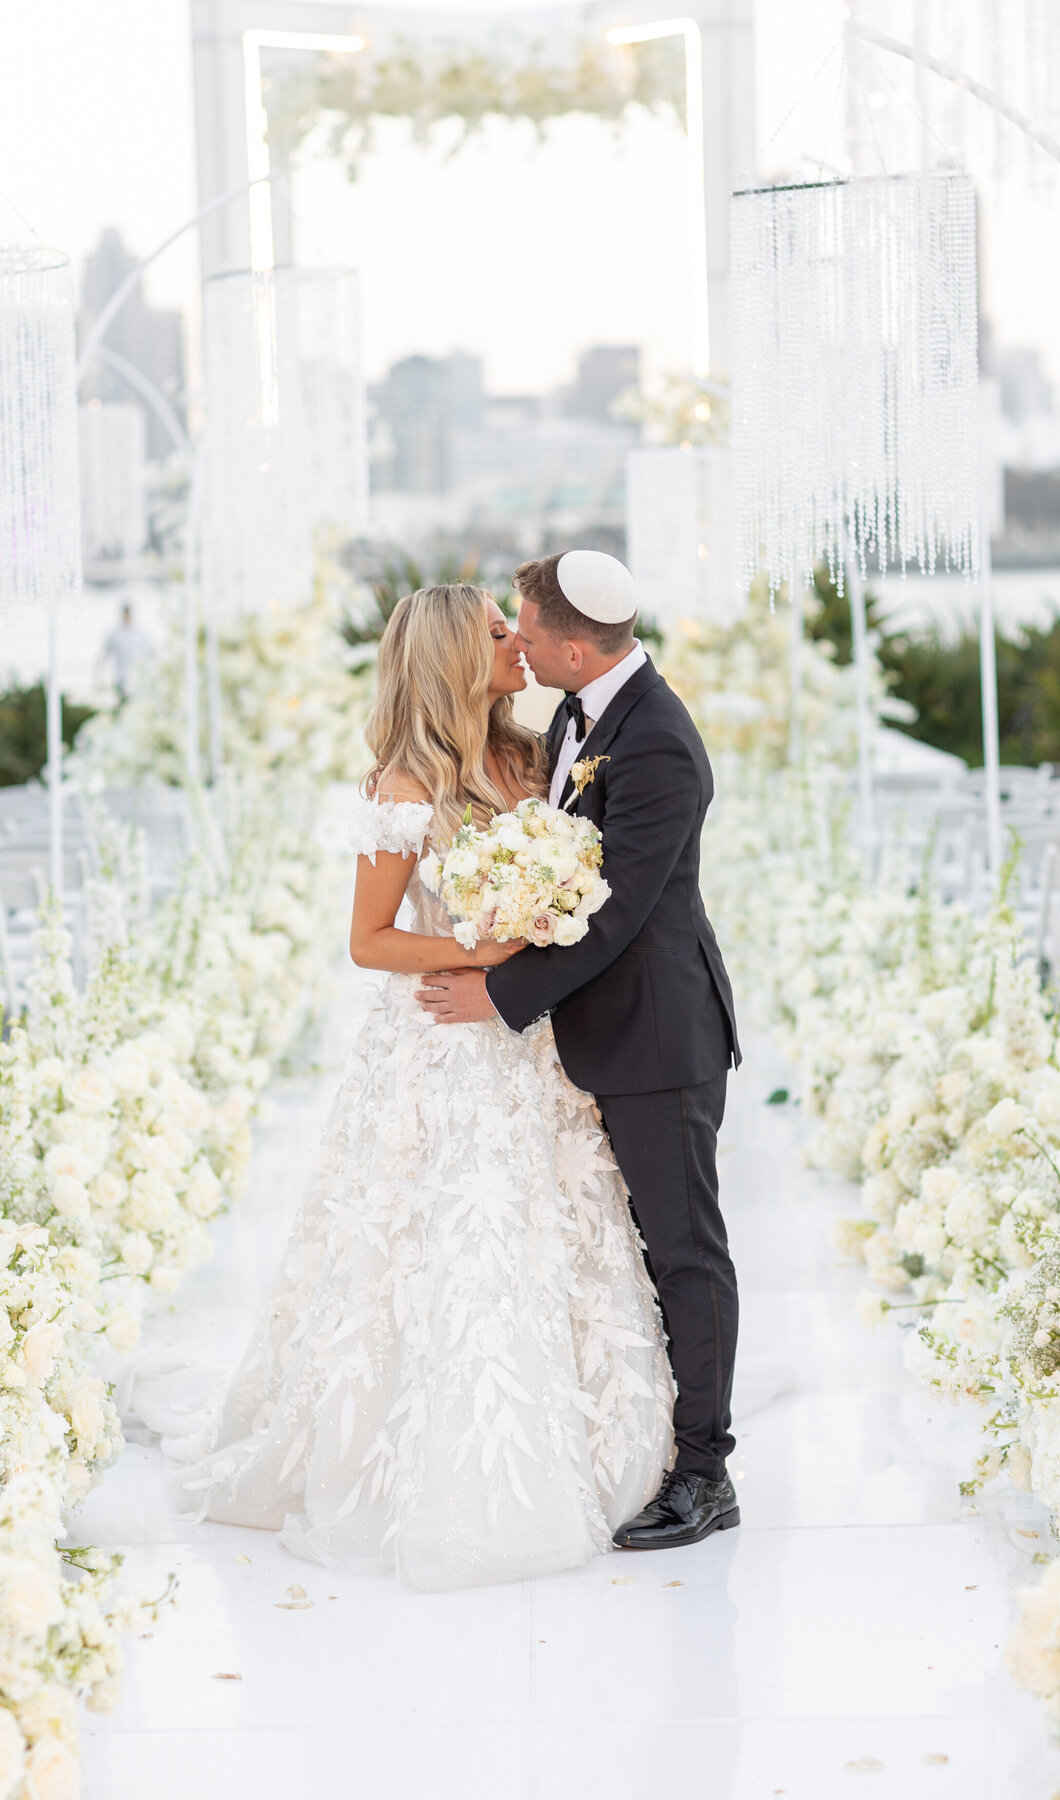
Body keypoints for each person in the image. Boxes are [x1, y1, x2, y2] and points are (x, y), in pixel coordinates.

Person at [174, 583, 673, 1589]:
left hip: (529, 1042)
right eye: (499, 631)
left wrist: (537, 936)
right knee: (442, 1241)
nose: (518, 642)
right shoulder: (404, 789)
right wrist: (480, 947)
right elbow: (367, 941)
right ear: (453, 654)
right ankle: (440, 1471)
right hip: (441, 1045)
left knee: (554, 1229)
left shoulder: (534, 757)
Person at [416, 550, 742, 1551]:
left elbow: (615, 915)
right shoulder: (575, 714)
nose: (513, 639)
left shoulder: (659, 744)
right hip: (604, 1032)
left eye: (521, 626)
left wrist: (496, 995)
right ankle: (655, 1438)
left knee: (684, 1251)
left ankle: (706, 1473)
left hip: (658, 1033)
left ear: (569, 645)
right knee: (640, 1249)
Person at [102, 602, 152, 703]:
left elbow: (150, 653)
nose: (127, 616)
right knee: (122, 703)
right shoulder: (114, 633)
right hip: (120, 677)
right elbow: (105, 654)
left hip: (138, 678)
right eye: (125, 614)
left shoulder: (141, 633)